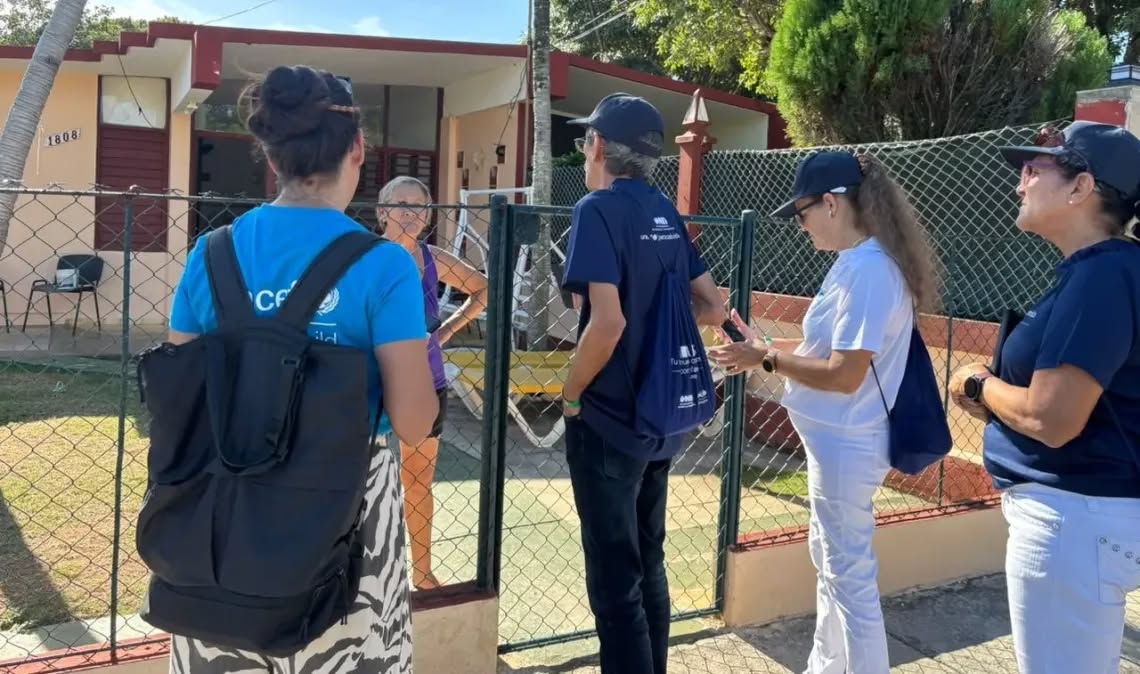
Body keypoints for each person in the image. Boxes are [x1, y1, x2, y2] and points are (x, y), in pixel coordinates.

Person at [165, 65, 438, 673]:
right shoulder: (385, 266)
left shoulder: (208, 257)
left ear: (270, 154)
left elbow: (179, 397)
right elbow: (415, 423)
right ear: (358, 149)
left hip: (221, 526)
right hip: (347, 530)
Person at [709, 150, 940, 674]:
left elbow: (844, 374)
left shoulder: (870, 271)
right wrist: (761, 346)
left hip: (847, 444)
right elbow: (826, 350)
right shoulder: (857, 264)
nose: (800, 224)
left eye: (803, 211)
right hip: (836, 443)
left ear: (833, 204)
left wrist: (764, 356)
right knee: (832, 564)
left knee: (848, 574)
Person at [948, 121, 1140, 674]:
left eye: (1034, 170)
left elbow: (1052, 418)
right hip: (1089, 518)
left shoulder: (1102, 273)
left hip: (1074, 523)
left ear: (1081, 188)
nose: (1020, 183)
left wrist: (978, 385)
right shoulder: (1107, 271)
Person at [559, 93, 727, 674]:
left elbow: (606, 323)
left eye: (585, 141)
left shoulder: (598, 210)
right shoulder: (664, 211)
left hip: (609, 418)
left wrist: (570, 393)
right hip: (661, 417)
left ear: (599, 146)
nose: (584, 151)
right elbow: (714, 304)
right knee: (648, 565)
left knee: (614, 584)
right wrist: (661, 307)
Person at [376, 175, 489, 590]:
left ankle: (421, 573)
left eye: (419, 206)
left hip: (424, 383)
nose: (409, 212)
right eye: (399, 203)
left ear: (428, 215)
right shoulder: (367, 257)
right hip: (370, 383)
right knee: (357, 481)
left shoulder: (433, 258)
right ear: (382, 211)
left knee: (418, 480)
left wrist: (442, 334)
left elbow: (483, 290)